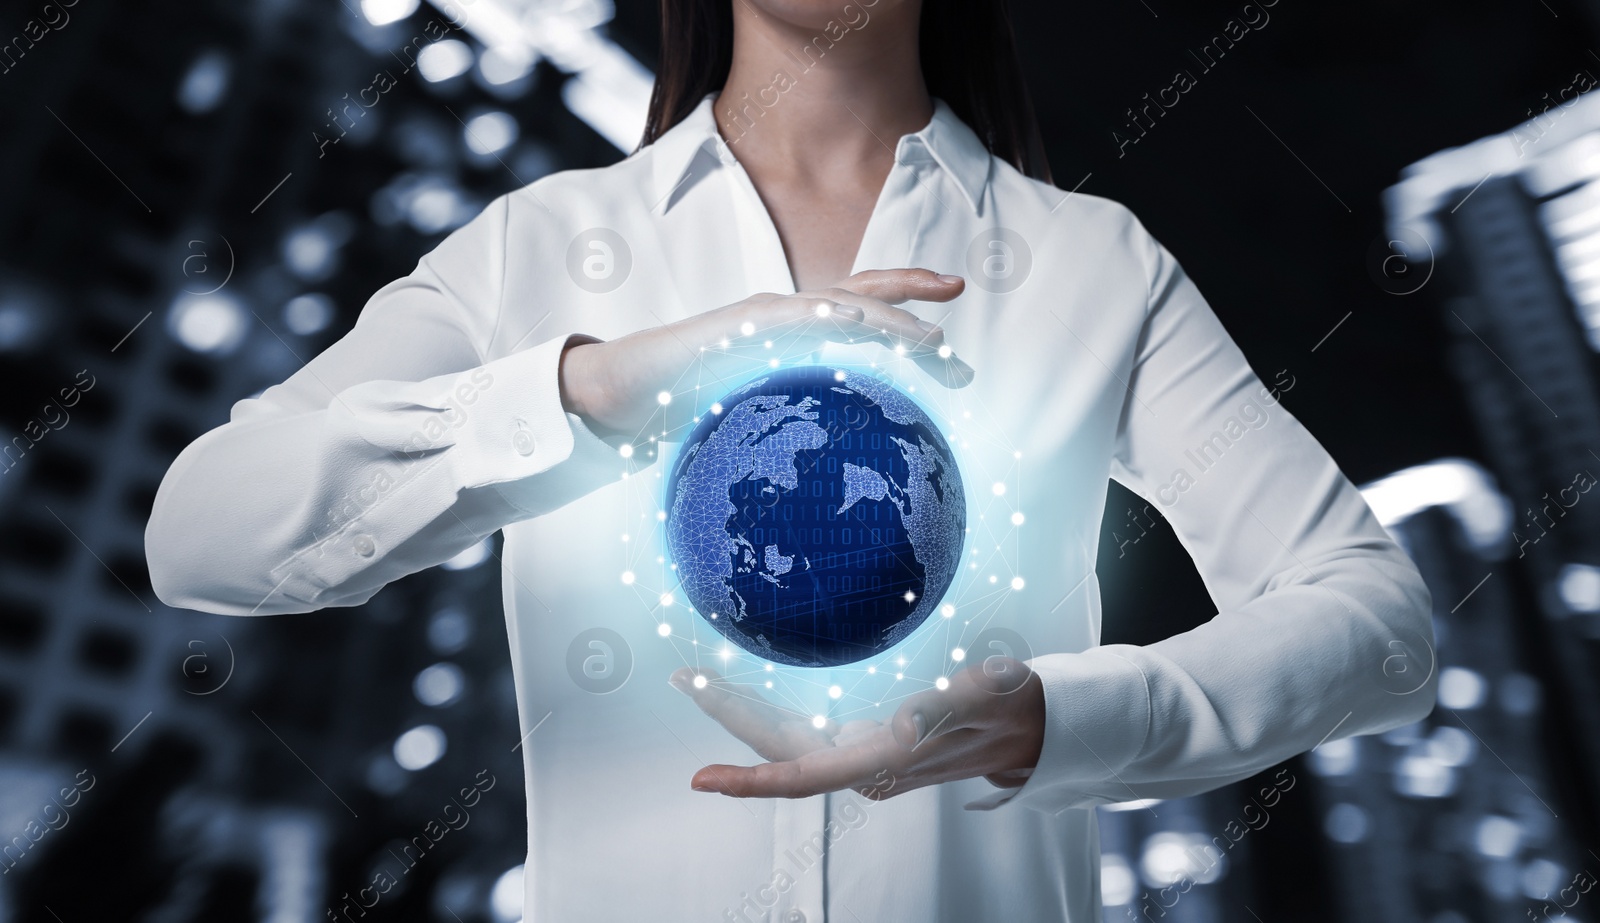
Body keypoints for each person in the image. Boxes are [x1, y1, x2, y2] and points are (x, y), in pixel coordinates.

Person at [146, 0, 1438, 918]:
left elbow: (1378, 619)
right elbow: (199, 532)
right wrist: (591, 384)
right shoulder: (534, 251)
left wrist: (1055, 717)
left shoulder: (1092, 267)